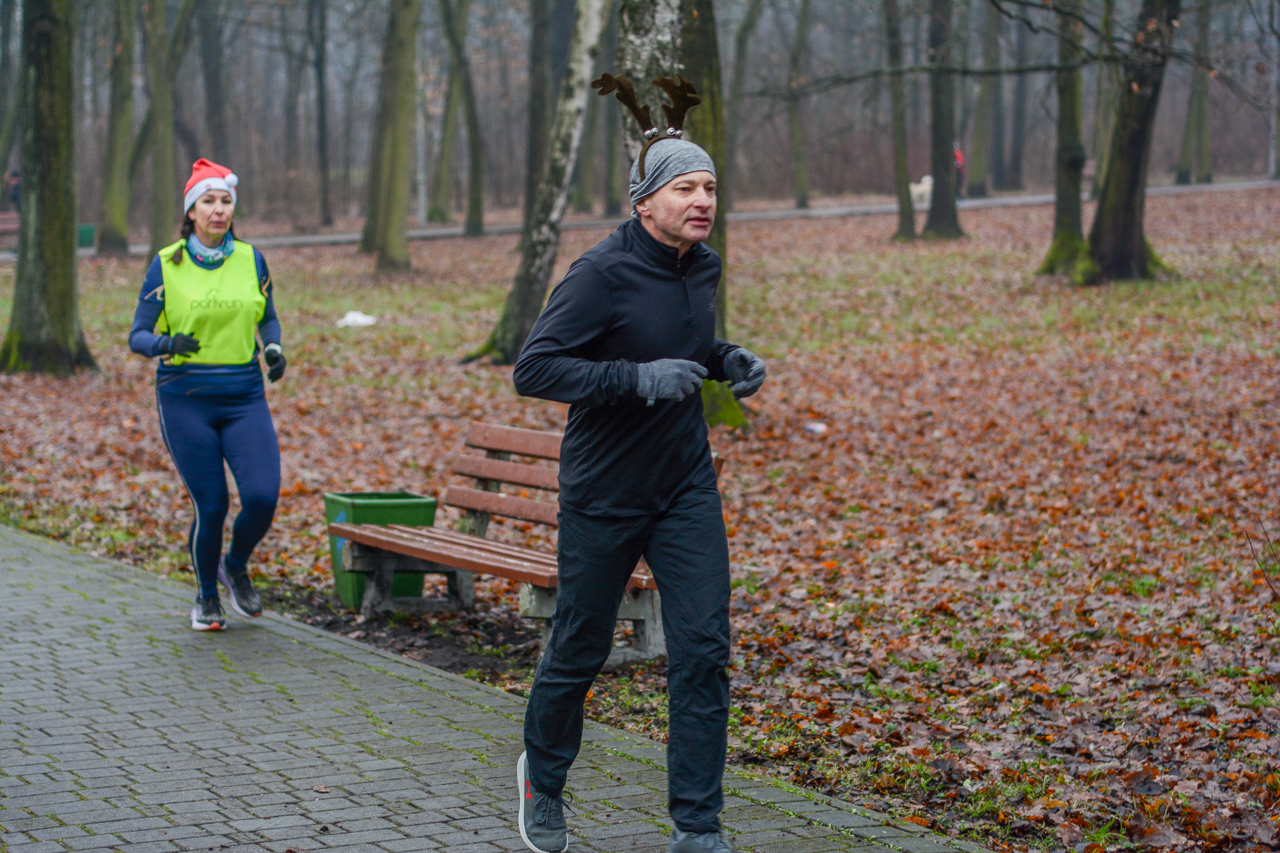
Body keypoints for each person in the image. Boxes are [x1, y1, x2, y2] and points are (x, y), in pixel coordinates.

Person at [511, 75, 767, 853]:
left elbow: (685, 344)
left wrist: (726, 359)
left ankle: (697, 825)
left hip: (684, 482)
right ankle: (543, 779)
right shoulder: (601, 273)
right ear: (645, 201)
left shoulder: (703, 265)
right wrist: (635, 380)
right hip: (605, 488)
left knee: (703, 649)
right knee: (581, 645)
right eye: (686, 186)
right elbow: (535, 369)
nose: (702, 199)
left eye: (710, 187)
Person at [128, 159, 287, 631]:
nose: (219, 210)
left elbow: (269, 317)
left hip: (243, 394)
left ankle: (234, 565)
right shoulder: (166, 263)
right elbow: (137, 335)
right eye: (208, 202)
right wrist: (164, 344)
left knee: (261, 495)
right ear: (191, 211)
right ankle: (205, 597)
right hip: (185, 397)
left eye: (225, 201)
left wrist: (274, 349)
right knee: (212, 504)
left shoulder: (251, 259)